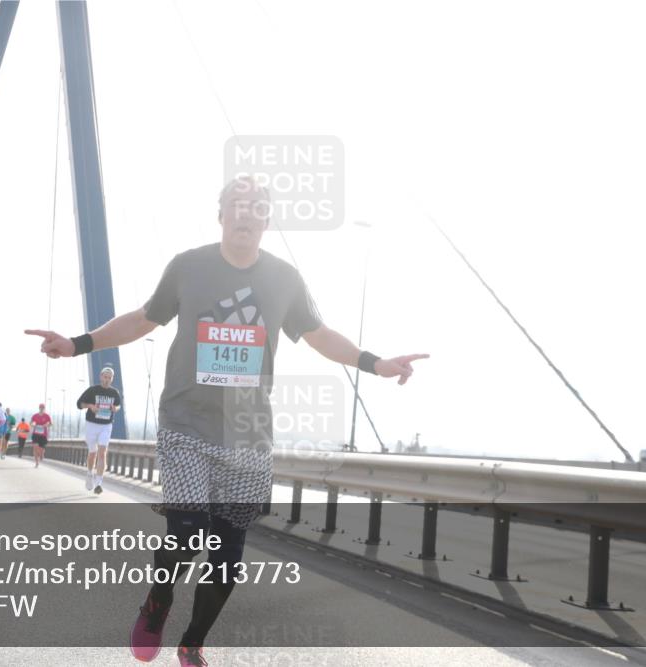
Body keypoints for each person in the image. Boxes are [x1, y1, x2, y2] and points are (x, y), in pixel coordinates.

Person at [26, 176, 427, 666]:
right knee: (188, 532)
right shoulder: (188, 266)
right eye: (237, 204)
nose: (245, 213)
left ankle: (192, 643)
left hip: (248, 435)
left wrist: (376, 363)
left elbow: (320, 336)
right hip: (186, 425)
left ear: (267, 220)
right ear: (221, 215)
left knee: (228, 558)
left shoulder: (284, 278)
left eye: (256, 206)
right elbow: (142, 319)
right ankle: (158, 600)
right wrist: (77, 344)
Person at [77, 366, 122, 494]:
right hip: (91, 424)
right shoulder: (92, 390)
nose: (107, 380)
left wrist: (115, 408)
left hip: (106, 425)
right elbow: (79, 404)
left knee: (102, 452)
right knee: (93, 452)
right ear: (101, 377)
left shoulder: (114, 393)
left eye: (109, 378)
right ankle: (89, 473)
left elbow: (118, 405)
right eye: (105, 377)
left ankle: (99, 483)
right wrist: (90, 406)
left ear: (112, 379)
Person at [29, 404, 52, 468]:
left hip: (43, 435)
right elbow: (30, 423)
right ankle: (37, 463)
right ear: (39, 408)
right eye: (40, 407)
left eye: (43, 408)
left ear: (44, 408)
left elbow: (50, 424)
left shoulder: (47, 416)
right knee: (35, 448)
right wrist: (33, 424)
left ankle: (42, 454)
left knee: (41, 451)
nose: (41, 409)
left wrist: (47, 425)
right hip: (35, 434)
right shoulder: (35, 416)